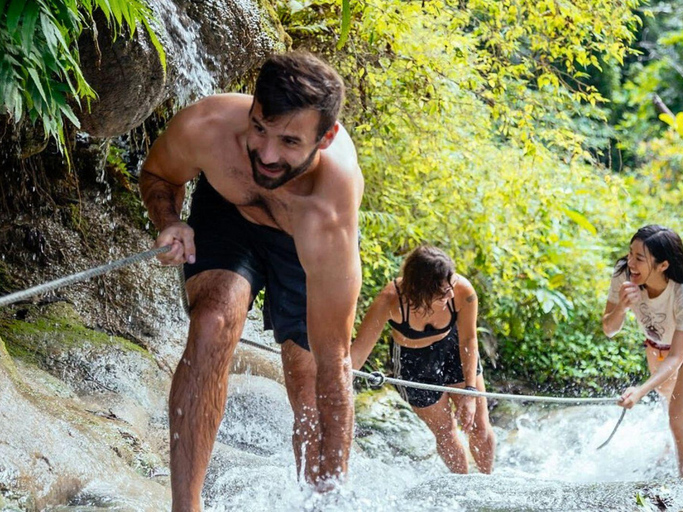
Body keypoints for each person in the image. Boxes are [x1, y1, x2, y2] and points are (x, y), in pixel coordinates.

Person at [139, 52, 363, 509]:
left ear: (326, 137)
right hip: (228, 214)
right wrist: (169, 220)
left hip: (302, 241)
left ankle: (320, 499)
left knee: (307, 379)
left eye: (288, 141)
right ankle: (186, 506)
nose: (266, 154)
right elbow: (159, 173)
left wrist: (334, 492)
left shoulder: (330, 208)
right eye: (259, 127)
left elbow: (334, 364)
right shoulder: (209, 125)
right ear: (252, 106)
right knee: (211, 325)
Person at [350, 245, 496, 474]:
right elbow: (357, 354)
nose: (450, 294)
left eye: (451, 286)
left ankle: (487, 483)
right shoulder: (390, 300)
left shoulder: (462, 290)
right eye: (442, 292)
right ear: (420, 290)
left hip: (455, 348)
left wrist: (470, 391)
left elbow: (468, 340)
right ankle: (464, 485)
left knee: (478, 424)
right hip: (414, 362)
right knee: (446, 431)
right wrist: (335, 388)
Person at [602, 225, 683, 477]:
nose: (630, 263)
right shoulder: (624, 274)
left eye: (639, 258)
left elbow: (677, 357)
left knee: (678, 419)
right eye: (630, 254)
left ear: (663, 265)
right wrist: (622, 308)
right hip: (658, 335)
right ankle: (677, 433)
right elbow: (608, 329)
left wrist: (638, 390)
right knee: (665, 393)